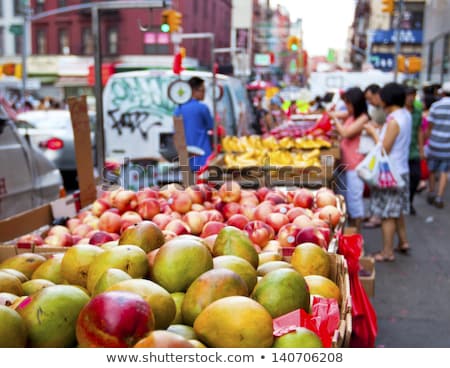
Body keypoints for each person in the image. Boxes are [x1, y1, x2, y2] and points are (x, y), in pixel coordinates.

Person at [364, 82, 412, 262]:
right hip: (401, 169)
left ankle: (386, 252)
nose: (379, 100)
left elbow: (384, 148)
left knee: (387, 215)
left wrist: (372, 132)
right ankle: (403, 241)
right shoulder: (405, 115)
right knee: (396, 210)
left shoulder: (393, 121)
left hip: (390, 174)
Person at [333, 87, 370, 232]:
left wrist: (336, 122)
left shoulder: (363, 118)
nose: (347, 107)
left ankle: (356, 233)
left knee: (354, 202)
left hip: (355, 166)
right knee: (346, 201)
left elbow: (346, 133)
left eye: (349, 104)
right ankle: (350, 230)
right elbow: (334, 114)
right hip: (345, 165)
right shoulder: (351, 115)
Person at [174, 76, 214, 172]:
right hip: (202, 155)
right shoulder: (202, 108)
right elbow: (211, 126)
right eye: (202, 91)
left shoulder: (178, 109)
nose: (204, 94)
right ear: (193, 91)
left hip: (186, 156)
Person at [362, 84, 386, 229]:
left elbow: (383, 142)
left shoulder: (387, 113)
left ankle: (377, 216)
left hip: (380, 155)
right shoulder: (377, 110)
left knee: (379, 188)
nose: (370, 102)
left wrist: (372, 130)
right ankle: (374, 214)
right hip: (376, 153)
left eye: (371, 98)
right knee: (375, 188)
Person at [425, 81, 450, 209]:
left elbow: (429, 127)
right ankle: (439, 196)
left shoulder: (435, 106)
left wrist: (425, 139)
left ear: (443, 93)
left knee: (432, 169)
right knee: (444, 171)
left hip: (434, 144)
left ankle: (431, 192)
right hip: (448, 147)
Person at [405, 87, 424, 215]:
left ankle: (409, 201)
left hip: (413, 151)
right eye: (409, 95)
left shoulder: (417, 112)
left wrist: (421, 149)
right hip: (401, 152)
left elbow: (419, 130)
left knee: (416, 176)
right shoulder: (400, 112)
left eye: (413, 95)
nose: (411, 98)